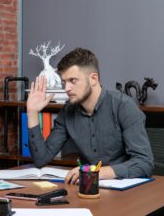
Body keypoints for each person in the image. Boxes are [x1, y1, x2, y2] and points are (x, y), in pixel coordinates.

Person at [26, 47, 154, 184]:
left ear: (93, 79)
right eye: (64, 82)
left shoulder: (123, 106)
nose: (66, 88)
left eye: (73, 80)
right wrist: (32, 113)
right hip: (88, 189)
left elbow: (144, 163)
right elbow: (41, 159)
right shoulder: (68, 110)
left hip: (126, 190)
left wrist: (97, 172)